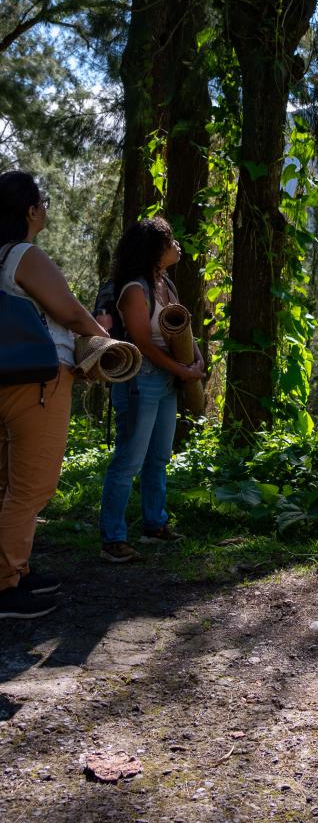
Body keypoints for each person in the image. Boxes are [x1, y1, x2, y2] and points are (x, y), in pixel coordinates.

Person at [0, 171, 109, 619]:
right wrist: (105, 340)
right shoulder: (23, 254)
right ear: (29, 210)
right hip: (38, 382)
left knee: (5, 482)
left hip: (5, 378)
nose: (45, 207)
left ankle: (15, 571)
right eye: (41, 201)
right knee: (31, 486)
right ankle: (6, 587)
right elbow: (69, 310)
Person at [99, 217, 204, 563]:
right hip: (139, 382)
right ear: (156, 250)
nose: (177, 246)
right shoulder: (134, 289)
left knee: (158, 457)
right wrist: (183, 372)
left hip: (164, 382)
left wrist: (196, 363)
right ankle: (113, 538)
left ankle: (154, 524)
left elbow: (181, 328)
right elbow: (142, 343)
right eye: (170, 241)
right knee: (129, 460)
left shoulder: (165, 284)